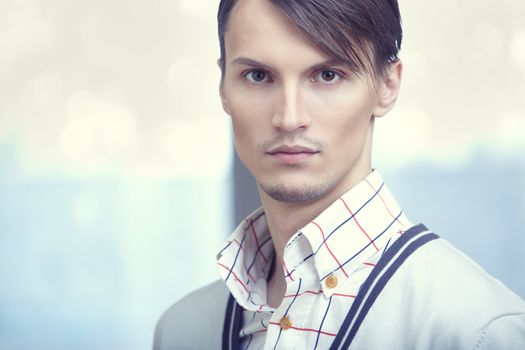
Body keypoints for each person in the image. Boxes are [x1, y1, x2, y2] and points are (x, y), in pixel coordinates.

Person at [153, 0, 525, 348]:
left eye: (328, 75)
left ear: (388, 85)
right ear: (223, 87)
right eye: (258, 76)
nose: (289, 117)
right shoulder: (182, 330)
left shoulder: (476, 329)